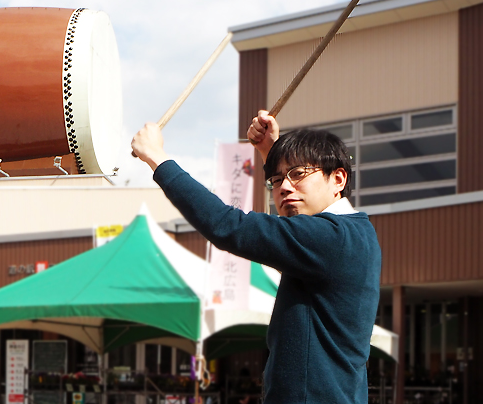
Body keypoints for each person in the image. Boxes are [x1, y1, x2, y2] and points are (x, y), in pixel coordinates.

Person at [131, 110, 381, 403]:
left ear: (338, 178)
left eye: (298, 174)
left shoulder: (328, 237)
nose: (285, 187)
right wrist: (273, 152)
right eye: (276, 180)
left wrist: (157, 159)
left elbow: (227, 225)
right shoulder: (356, 234)